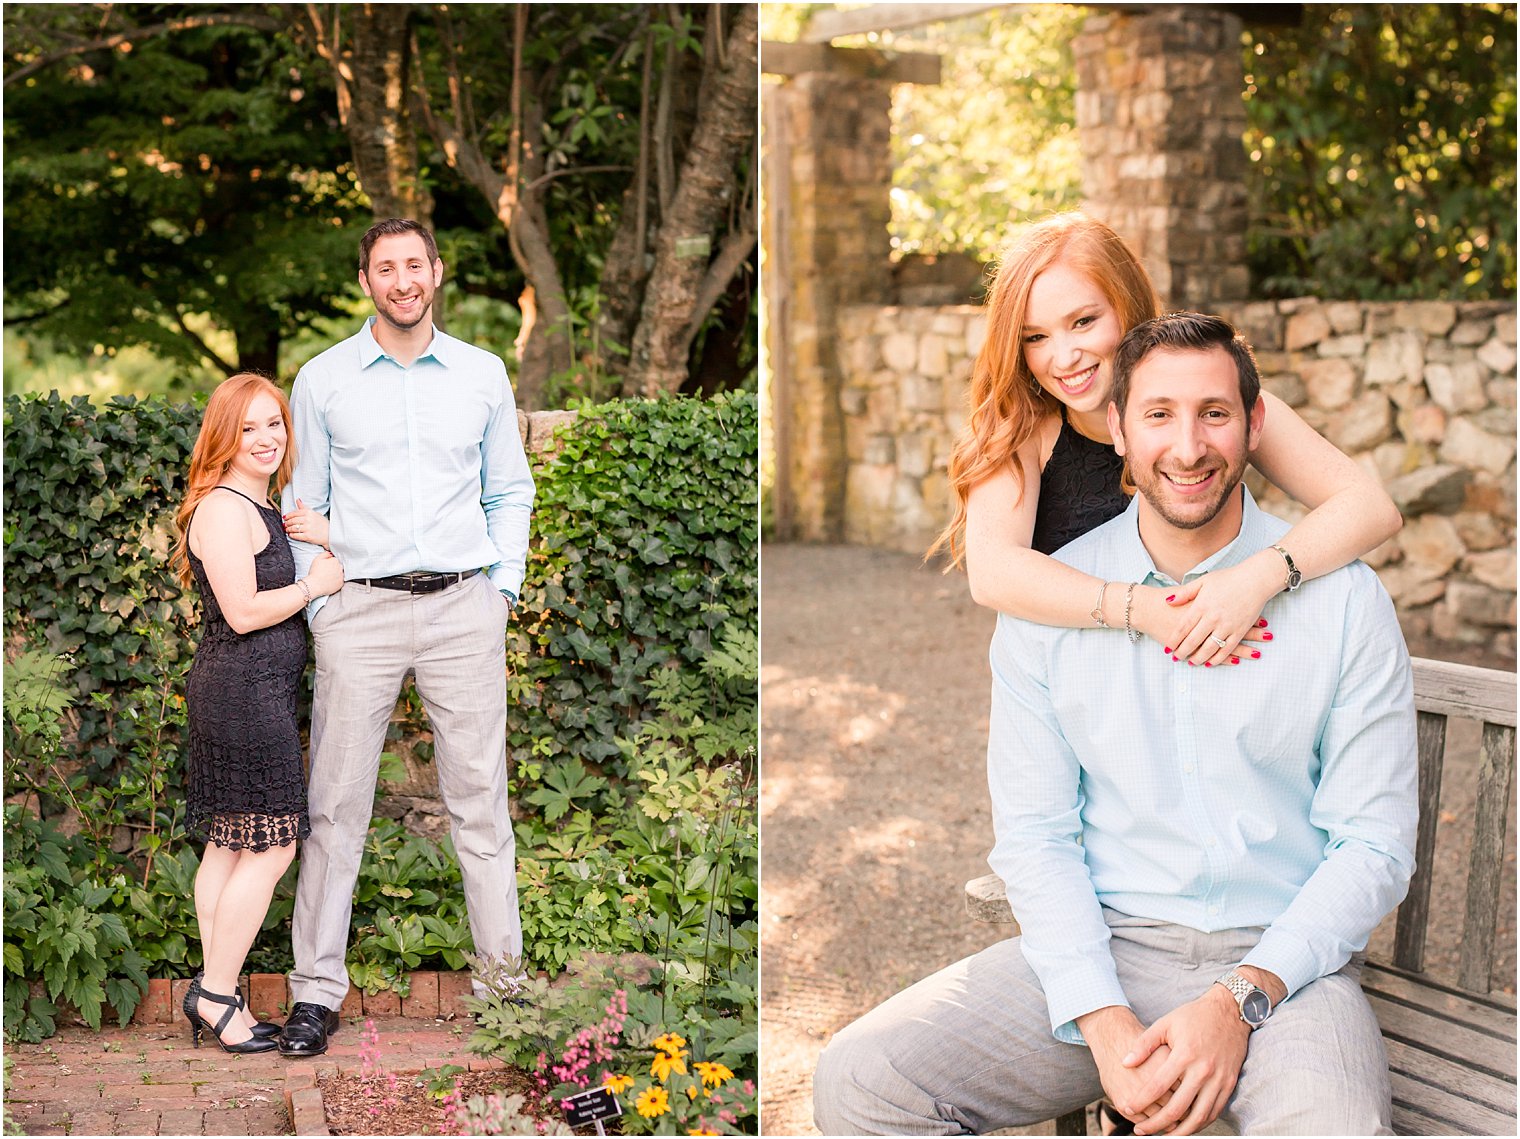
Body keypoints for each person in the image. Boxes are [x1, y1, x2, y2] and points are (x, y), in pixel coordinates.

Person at [813, 313, 1419, 1135]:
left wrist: (1239, 999)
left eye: (1214, 413)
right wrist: (1100, 1016)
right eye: (1159, 415)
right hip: (1110, 944)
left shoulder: (1344, 601)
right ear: (1119, 435)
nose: (1189, 445)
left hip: (1285, 968)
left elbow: (1373, 845)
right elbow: (1036, 835)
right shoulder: (1051, 606)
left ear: (1254, 425)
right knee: (861, 1081)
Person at [276, 218, 536, 1059]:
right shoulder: (321, 381)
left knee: (481, 805)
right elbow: (301, 505)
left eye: (414, 265)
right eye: (385, 268)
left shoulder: (482, 374)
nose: (402, 280)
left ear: (437, 271)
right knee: (335, 807)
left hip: (465, 608)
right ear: (365, 281)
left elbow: (511, 491)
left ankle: (504, 988)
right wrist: (324, 608)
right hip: (362, 612)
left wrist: (501, 590)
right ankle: (315, 993)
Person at [933, 212, 1403, 664]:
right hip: (1083, 683)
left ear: (1126, 305)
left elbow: (1370, 508)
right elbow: (992, 573)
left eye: (1083, 322)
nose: (1064, 357)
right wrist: (1145, 610)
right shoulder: (1020, 427)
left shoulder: (1216, 404)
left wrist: (1255, 579)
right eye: (1035, 337)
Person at [170, 373, 345, 1053]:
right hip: (243, 693)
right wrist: (312, 583)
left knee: (228, 844)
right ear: (224, 436)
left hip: (248, 690)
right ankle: (217, 995)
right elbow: (242, 613)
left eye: (275, 423)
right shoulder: (222, 507)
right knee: (271, 844)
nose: (267, 437)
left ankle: (214, 992)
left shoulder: (256, 503)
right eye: (249, 427)